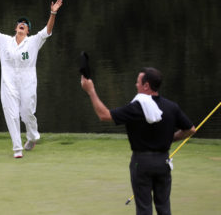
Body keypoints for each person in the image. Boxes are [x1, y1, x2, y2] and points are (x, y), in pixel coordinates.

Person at [80, 67, 196, 215]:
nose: (136, 85)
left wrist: (91, 91)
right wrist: (171, 138)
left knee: (144, 209)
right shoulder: (171, 107)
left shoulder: (136, 107)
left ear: (146, 85)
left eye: (138, 82)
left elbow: (104, 115)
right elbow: (191, 129)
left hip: (141, 162)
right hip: (163, 162)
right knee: (164, 208)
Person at [0, 0, 63, 158]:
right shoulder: (4, 41)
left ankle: (33, 137)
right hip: (8, 83)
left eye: (25, 24)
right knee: (11, 114)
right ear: (16, 27)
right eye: (20, 22)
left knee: (27, 113)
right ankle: (17, 148)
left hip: (28, 83)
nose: (22, 24)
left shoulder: (33, 42)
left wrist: (53, 12)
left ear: (27, 30)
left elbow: (47, 31)